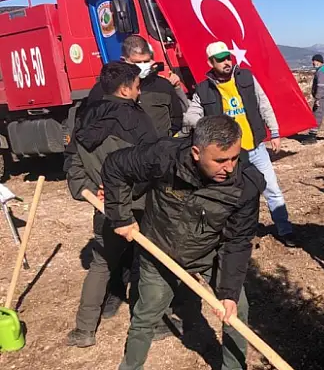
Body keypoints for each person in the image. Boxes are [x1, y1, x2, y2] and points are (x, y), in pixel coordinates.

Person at [102, 115, 263, 370]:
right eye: (220, 160)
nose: (230, 167)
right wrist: (121, 216)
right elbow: (115, 166)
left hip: (209, 253)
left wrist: (229, 292)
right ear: (197, 152)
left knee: (237, 310)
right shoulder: (165, 156)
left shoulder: (245, 184)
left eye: (234, 157)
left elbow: (238, 241)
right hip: (159, 250)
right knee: (145, 316)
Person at [64, 61, 163, 347]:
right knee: (148, 263)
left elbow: (73, 166)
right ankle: (152, 323)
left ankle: (84, 330)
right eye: (136, 84)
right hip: (138, 205)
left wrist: (92, 191)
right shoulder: (136, 119)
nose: (139, 89)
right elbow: (151, 164)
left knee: (102, 263)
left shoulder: (83, 116)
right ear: (124, 89)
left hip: (104, 207)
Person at [191, 41, 298, 247]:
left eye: (227, 57)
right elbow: (193, 115)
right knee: (232, 196)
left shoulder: (246, 77)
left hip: (256, 147)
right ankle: (236, 237)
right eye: (220, 59)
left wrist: (274, 132)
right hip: (230, 156)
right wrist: (200, 127)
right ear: (210, 62)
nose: (226, 62)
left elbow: (263, 102)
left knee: (272, 189)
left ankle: (286, 230)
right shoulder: (203, 89)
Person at [86, 35, 183, 137]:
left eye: (146, 61)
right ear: (124, 60)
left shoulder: (163, 85)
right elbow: (91, 123)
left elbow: (176, 118)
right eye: (137, 62)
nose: (143, 65)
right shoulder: (104, 89)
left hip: (158, 148)